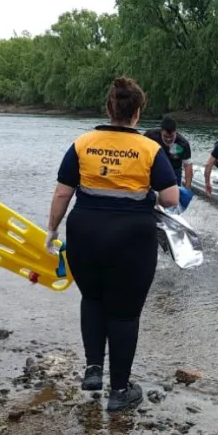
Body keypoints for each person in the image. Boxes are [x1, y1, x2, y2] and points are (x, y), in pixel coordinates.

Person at [44, 77, 179, 412]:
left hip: (84, 232)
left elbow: (63, 191)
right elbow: (171, 197)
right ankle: (119, 390)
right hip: (131, 237)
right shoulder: (150, 149)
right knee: (124, 314)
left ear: (109, 108)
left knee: (92, 298)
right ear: (137, 113)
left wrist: (51, 230)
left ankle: (93, 369)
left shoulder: (82, 143)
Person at [144, 116, 193, 188]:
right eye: (165, 136)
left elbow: (188, 166)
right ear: (161, 132)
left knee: (175, 196)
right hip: (156, 168)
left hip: (174, 170)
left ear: (176, 131)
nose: (168, 139)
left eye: (171, 136)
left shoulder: (183, 144)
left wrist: (187, 188)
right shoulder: (151, 136)